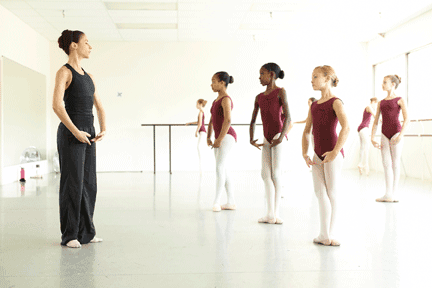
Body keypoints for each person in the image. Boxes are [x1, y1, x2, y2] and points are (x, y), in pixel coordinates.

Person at [53, 30, 105, 248]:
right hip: (71, 133)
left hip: (89, 133)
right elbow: (57, 106)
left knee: (89, 184)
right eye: (86, 42)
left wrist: (103, 128)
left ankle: (87, 232)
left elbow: (99, 106)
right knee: (72, 184)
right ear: (73, 45)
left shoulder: (89, 76)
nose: (90, 46)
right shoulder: (64, 72)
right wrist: (75, 131)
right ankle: (70, 235)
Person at [302, 65, 350, 246]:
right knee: (320, 193)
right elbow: (307, 131)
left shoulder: (336, 102)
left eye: (315, 77)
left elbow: (346, 127)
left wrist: (335, 152)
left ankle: (333, 233)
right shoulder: (314, 105)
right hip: (316, 154)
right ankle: (323, 234)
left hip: (333, 153)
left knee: (332, 193)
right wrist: (305, 153)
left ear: (327, 78)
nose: (312, 80)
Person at [249, 63, 292, 224]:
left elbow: (288, 117)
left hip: (277, 137)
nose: (259, 77)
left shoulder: (281, 92)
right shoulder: (259, 97)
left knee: (276, 174)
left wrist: (281, 137)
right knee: (265, 174)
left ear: (272, 75)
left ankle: (276, 213)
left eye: (262, 74)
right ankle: (269, 213)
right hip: (267, 139)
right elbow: (253, 119)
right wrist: (251, 137)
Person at [371, 75, 409, 202]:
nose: (382, 84)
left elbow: (407, 119)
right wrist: (372, 137)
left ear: (393, 84)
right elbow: (376, 121)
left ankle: (394, 193)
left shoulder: (400, 100)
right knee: (386, 164)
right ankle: (387, 194)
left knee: (395, 164)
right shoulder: (381, 102)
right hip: (384, 134)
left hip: (396, 133)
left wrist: (401, 135)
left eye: (385, 82)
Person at [207, 72, 237, 212]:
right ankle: (231, 202)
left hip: (228, 136)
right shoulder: (215, 101)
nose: (211, 84)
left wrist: (219, 139)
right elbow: (212, 120)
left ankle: (216, 201)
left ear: (222, 83)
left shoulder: (226, 99)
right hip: (219, 137)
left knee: (219, 167)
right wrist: (209, 136)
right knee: (223, 168)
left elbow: (228, 120)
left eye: (214, 81)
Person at [186, 99, 208, 172]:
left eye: (197, 104)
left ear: (200, 104)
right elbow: (198, 122)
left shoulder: (201, 112)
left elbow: (200, 124)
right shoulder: (201, 112)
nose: (196, 105)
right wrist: (190, 123)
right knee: (199, 147)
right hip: (202, 131)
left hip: (202, 131)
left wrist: (196, 131)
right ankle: (201, 164)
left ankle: (201, 164)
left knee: (199, 147)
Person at [357, 97, 378, 175]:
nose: (376, 107)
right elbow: (375, 116)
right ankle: (366, 166)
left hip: (361, 128)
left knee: (363, 147)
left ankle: (360, 164)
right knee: (367, 146)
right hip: (364, 128)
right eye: (376, 104)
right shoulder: (369, 107)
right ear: (373, 102)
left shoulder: (367, 108)